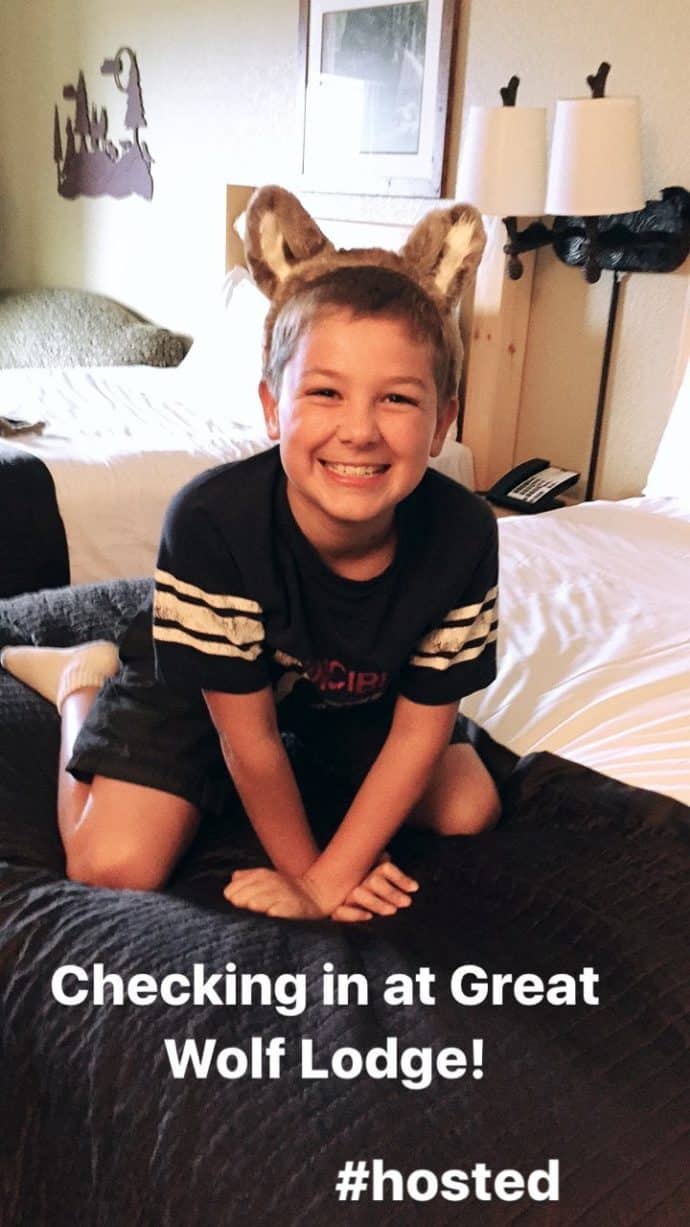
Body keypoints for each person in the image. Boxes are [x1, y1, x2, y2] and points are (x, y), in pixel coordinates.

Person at [1, 187, 500, 923]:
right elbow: (252, 740)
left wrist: (331, 874)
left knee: (468, 805)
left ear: (442, 423)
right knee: (110, 861)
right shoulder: (212, 521)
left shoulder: (463, 531)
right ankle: (82, 677)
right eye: (325, 392)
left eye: (396, 399)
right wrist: (313, 880)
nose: (359, 431)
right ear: (272, 409)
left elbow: (420, 729)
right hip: (214, 693)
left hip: (347, 696)